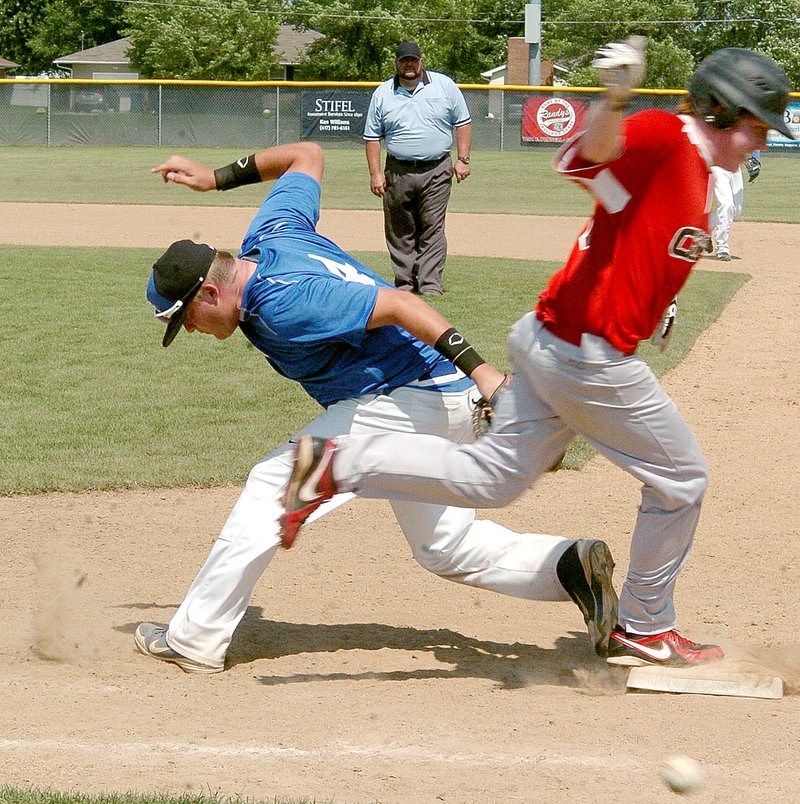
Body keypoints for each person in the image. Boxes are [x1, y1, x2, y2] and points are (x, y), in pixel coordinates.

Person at [281, 45, 796, 668]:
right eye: (755, 126)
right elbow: (588, 157)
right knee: (681, 479)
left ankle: (336, 465)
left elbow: (616, 207)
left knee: (493, 479)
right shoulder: (668, 136)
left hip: (555, 341)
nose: (759, 142)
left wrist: (654, 298)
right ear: (717, 109)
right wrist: (612, 100)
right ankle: (644, 624)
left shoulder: (692, 166)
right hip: (587, 353)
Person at [134, 140, 619, 674]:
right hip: (423, 401)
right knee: (445, 547)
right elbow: (307, 156)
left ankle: (195, 639)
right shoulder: (271, 235)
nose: (195, 332)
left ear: (208, 294)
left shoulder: (283, 302)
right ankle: (570, 566)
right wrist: (216, 177)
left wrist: (484, 375)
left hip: (410, 398)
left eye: (188, 321)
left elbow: (402, 304)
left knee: (274, 484)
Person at [363, 41, 472, 296]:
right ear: (396, 64)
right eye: (404, 61)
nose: (409, 65)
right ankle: (404, 283)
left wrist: (463, 159)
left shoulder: (444, 86)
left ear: (422, 61)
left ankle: (430, 284)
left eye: (413, 60)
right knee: (400, 229)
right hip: (397, 170)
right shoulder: (383, 93)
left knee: (433, 226)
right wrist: (375, 173)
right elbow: (372, 137)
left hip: (437, 169)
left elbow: (463, 123)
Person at [710, 151, 761, 261]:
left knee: (736, 209)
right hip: (717, 165)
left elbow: (752, 136)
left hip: (734, 167)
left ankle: (706, 226)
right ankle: (722, 247)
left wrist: (754, 158)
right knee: (726, 204)